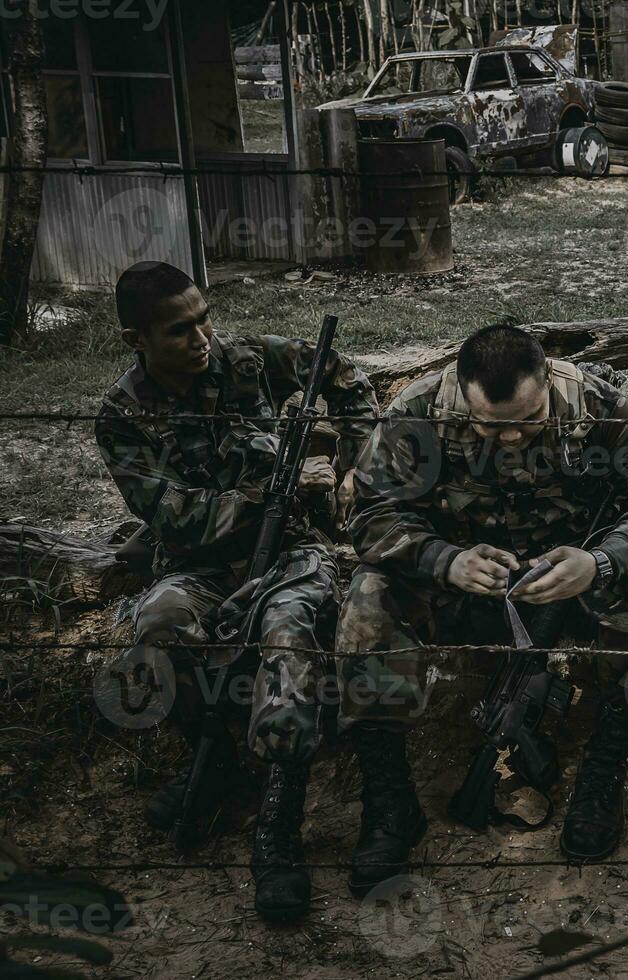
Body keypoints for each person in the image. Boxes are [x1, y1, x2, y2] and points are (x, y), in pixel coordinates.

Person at [336, 324, 628, 891]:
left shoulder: (597, 405)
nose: (509, 439)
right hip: (463, 586)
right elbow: (370, 515)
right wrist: (442, 559)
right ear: (460, 389)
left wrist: (598, 562)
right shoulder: (418, 412)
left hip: (571, 586)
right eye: (489, 425)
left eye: (528, 421)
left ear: (548, 380)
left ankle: (603, 768)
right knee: (369, 597)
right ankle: (389, 799)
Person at [94, 260, 377, 921]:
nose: (201, 340)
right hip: (197, 564)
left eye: (204, 321)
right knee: (158, 630)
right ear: (136, 339)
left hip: (293, 551)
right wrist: (263, 494)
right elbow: (174, 517)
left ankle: (277, 829)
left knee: (289, 634)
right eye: (179, 331)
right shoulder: (121, 416)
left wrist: (347, 462)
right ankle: (213, 755)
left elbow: (345, 375)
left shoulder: (246, 361)